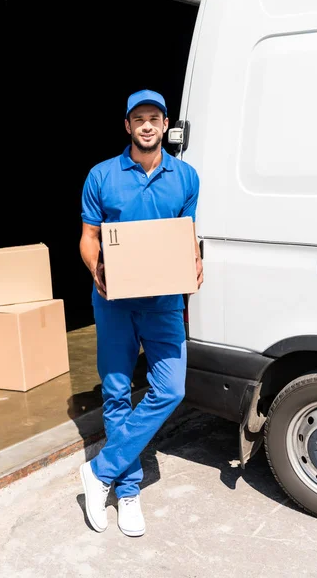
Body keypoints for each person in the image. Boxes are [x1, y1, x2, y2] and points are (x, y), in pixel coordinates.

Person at [79, 89, 203, 537]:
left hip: (164, 302)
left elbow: (186, 233)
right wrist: (97, 269)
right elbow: (88, 237)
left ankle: (100, 471)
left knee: (170, 388)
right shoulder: (101, 175)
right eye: (139, 119)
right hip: (114, 302)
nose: (147, 125)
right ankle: (127, 490)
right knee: (116, 394)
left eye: (155, 118)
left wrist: (195, 260)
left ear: (165, 124)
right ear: (127, 126)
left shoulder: (186, 177)